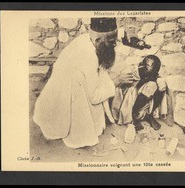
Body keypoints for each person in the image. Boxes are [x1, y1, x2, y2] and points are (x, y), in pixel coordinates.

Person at [33, 18, 134, 149]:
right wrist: (117, 81)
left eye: (115, 41)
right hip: (68, 94)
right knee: (89, 124)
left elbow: (110, 37)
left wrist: (124, 36)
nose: (115, 44)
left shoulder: (89, 39)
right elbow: (94, 97)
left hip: (71, 82)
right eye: (112, 42)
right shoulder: (88, 58)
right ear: (98, 41)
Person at [111, 55, 167, 131]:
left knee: (159, 84)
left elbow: (153, 79)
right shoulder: (131, 71)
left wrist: (153, 81)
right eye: (149, 72)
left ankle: (149, 115)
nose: (150, 75)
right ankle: (134, 116)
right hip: (128, 98)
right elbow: (121, 89)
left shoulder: (151, 72)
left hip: (140, 97)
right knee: (144, 88)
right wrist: (141, 82)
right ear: (142, 66)